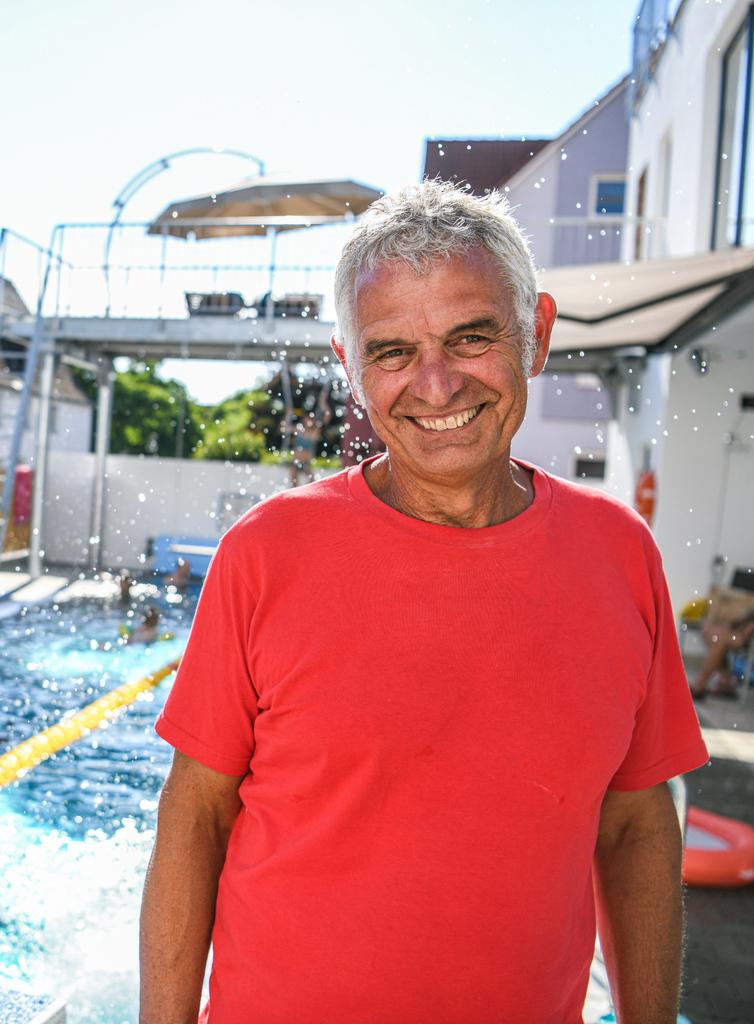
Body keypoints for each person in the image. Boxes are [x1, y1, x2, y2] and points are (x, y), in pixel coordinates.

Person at [140, 181, 708, 1024]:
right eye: (393, 352)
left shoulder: (620, 556)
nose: (435, 386)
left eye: (472, 337)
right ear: (350, 367)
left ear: (537, 334)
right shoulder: (266, 555)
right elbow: (195, 819)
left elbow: (635, 829)